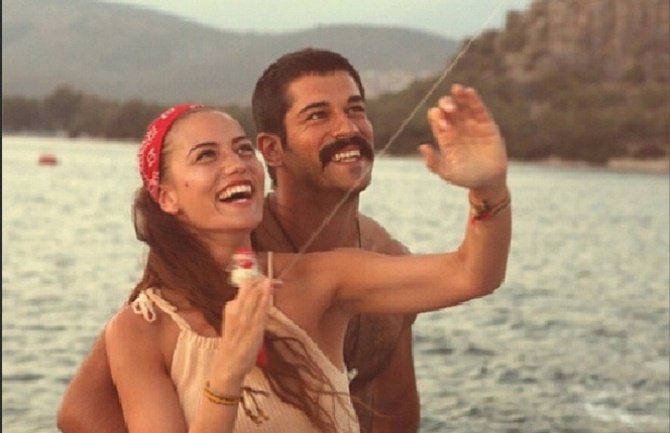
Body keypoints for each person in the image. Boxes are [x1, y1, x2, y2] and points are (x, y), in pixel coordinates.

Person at [72, 75, 510, 433]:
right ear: (167, 197)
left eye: (242, 149)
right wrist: (227, 373)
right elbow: (76, 414)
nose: (236, 164)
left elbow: (473, 274)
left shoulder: (321, 279)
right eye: (206, 156)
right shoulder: (139, 329)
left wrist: (488, 189)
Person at [250, 48, 419, 433]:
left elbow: (394, 406)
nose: (348, 129)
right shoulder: (235, 250)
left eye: (355, 110)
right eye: (318, 115)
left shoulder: (389, 259)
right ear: (272, 149)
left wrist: (487, 190)